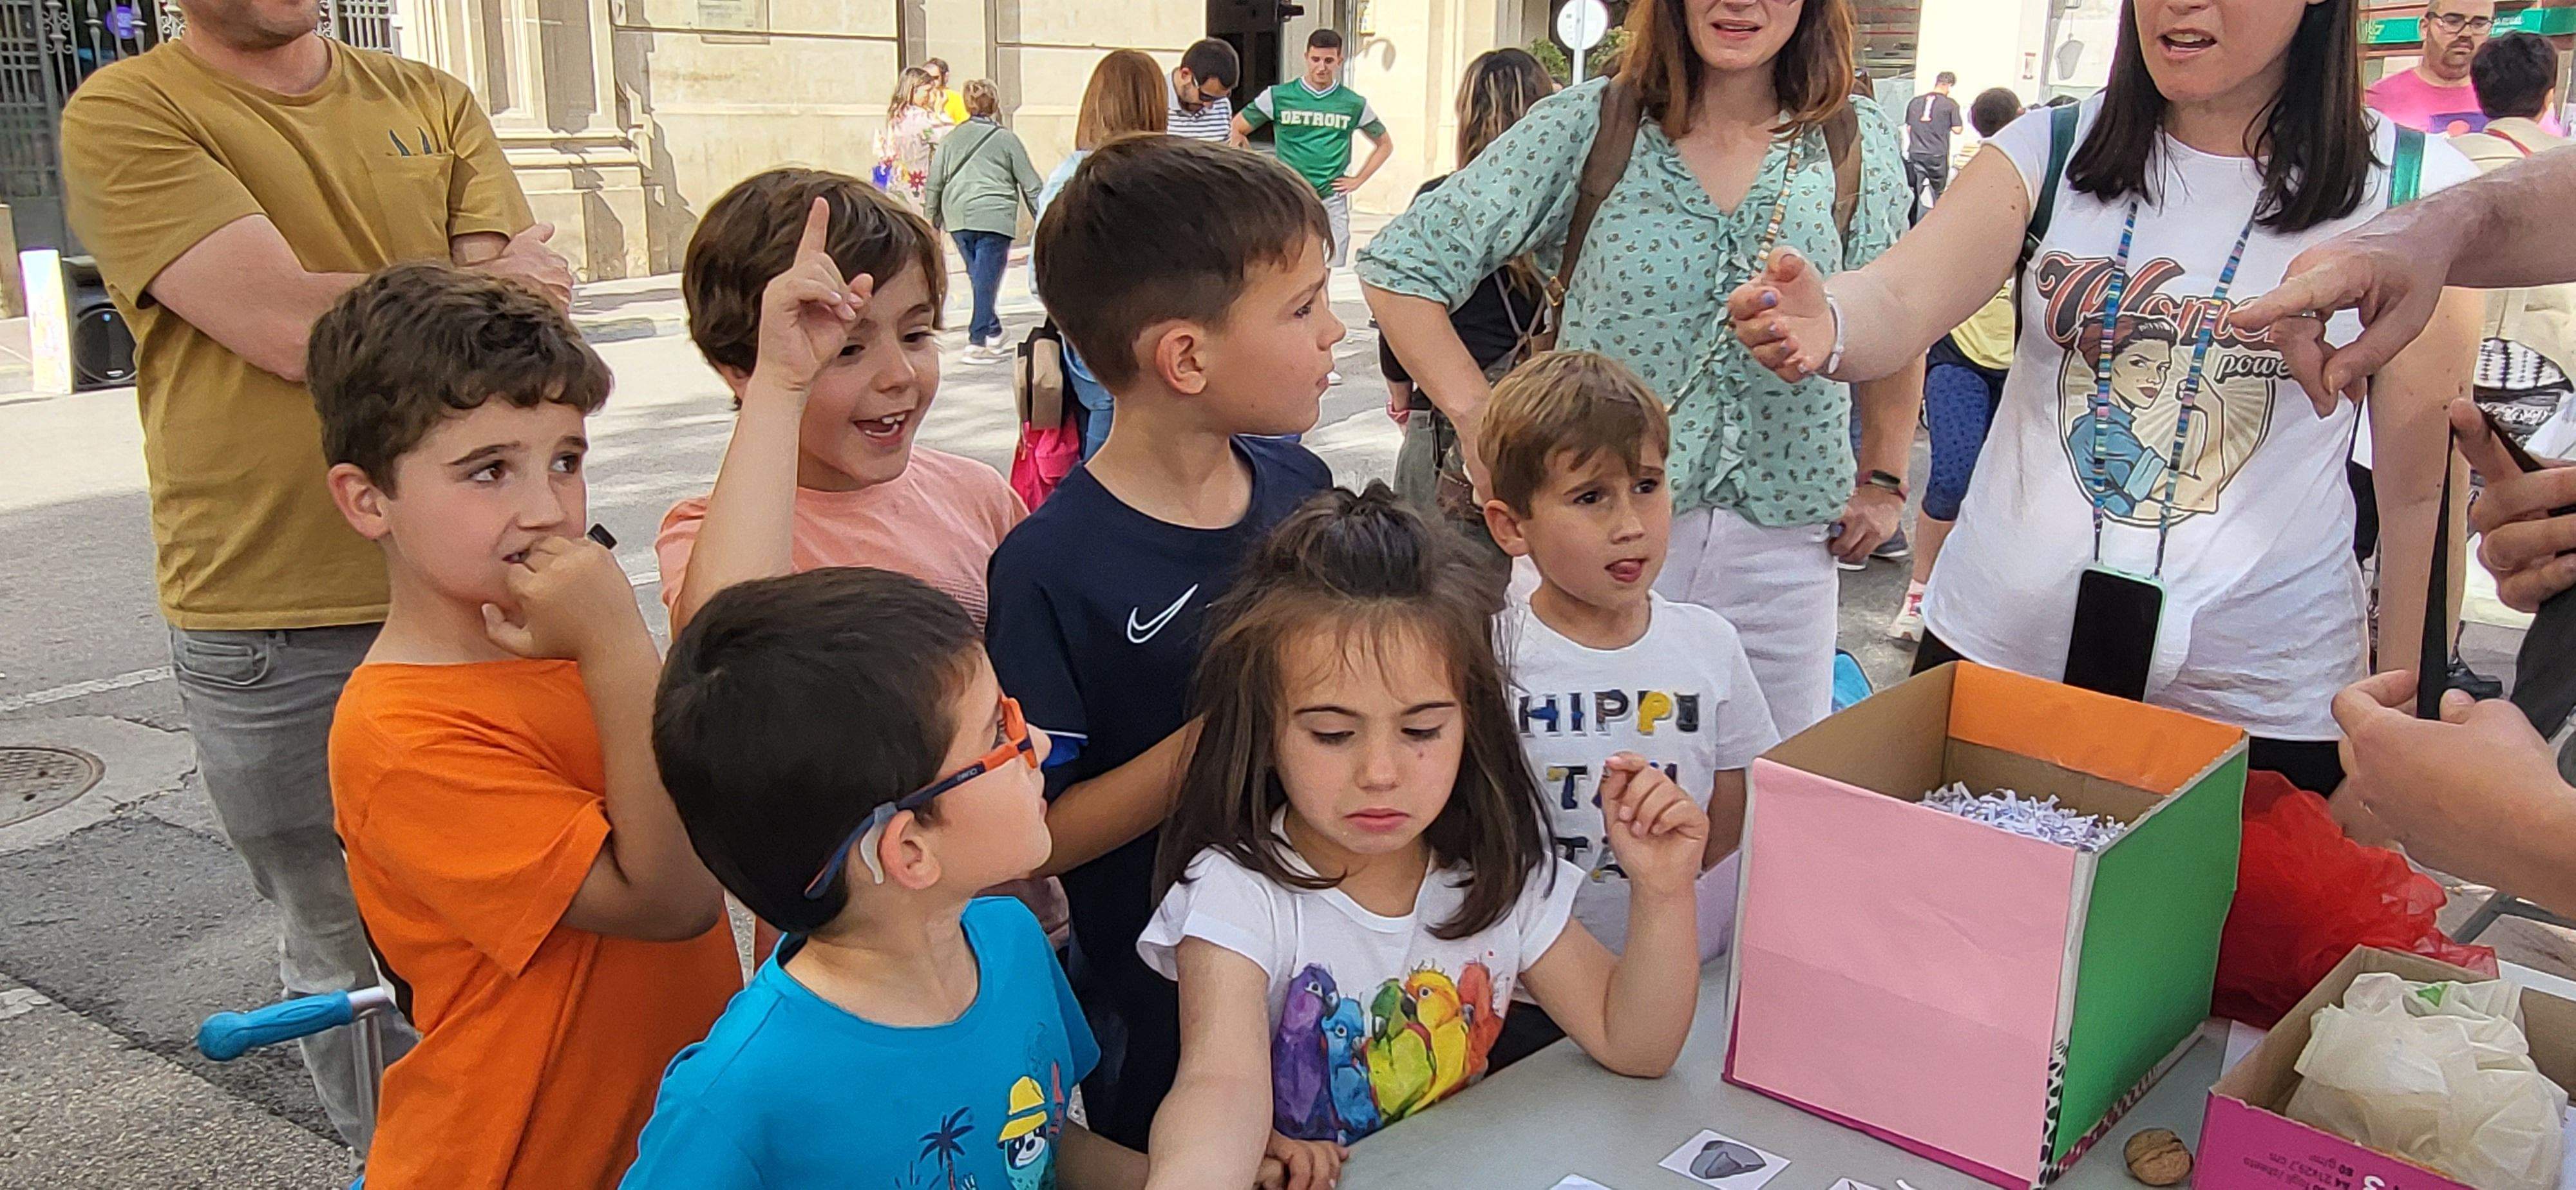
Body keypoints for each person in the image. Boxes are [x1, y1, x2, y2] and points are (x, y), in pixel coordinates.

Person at [1729, 0, 2483, 795]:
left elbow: (2419, 495)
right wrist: (1831, 317)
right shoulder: (2050, 148)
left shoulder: (2415, 192)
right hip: (1999, 663)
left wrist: (2398, 747)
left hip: (2260, 697)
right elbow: (1904, 294)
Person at [55, 0, 569, 1151]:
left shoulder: (430, 98)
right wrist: (462, 284)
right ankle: (396, 1166)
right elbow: (283, 323)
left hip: (485, 592)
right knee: (346, 953)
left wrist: (447, 299)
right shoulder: (131, 109)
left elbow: (509, 338)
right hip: (271, 612)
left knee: (529, 918)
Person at [1363, 0, 1917, 742]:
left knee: (1764, 804)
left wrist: (1883, 477)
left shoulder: (1852, 143)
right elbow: (1401, 265)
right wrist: (1476, 420)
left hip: (1784, 544)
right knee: (1563, 783)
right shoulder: (1590, 127)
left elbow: (1899, 317)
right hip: (1590, 522)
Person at [1135, 486, 1706, 1189]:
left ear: (1472, 723)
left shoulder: (1494, 872)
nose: (1380, 773)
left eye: (1421, 731)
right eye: (1332, 734)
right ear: (1265, 730)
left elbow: (1637, 1043)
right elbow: (1217, 1087)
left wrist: (1663, 889)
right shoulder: (1236, 894)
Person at [312, 264, 737, 1188]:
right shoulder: (399, 732)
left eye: (567, 460)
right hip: (522, 1156)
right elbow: (671, 901)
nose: (546, 508)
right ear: (365, 500)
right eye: (488, 470)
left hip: (660, 1142)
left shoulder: (566, 647)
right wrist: (618, 644)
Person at [992, 134, 1340, 1150]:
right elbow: (1038, 834)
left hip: (1344, 980)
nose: (1336, 332)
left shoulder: (1302, 490)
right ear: (1185, 357)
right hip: (1165, 1016)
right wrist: (1229, 737)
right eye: (1303, 308)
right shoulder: (1049, 567)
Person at [621, 569, 1148, 1187]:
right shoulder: (734, 1099)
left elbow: (1045, 1147)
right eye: (998, 732)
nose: (1035, 738)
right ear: (910, 849)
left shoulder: (1013, 940)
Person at [661, 171, 1053, 961]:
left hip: (1015, 919)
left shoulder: (976, 496)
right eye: (845, 348)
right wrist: (782, 385)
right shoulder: (713, 535)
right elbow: (730, 642)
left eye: (915, 334)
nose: (897, 375)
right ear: (742, 369)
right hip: (859, 958)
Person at [1481, 352, 1777, 1062]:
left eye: (1646, 486)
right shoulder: (1486, 656)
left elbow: (1733, 802)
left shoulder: (1708, 643)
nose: (1630, 525)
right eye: (1590, 498)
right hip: (1517, 994)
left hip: (1673, 972)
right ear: (1510, 527)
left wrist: (1669, 895)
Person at [1379, 46, 1555, 554]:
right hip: (1544, 412)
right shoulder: (1570, 208)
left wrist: (1400, 395)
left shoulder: (1444, 198)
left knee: (1433, 583)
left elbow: (1399, 306)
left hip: (1445, 423)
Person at [1888, 85, 2026, 641]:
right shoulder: (1969, 184)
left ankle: (1994, 605)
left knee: (2015, 493)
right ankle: (1918, 595)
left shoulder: (2059, 205)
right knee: (1949, 477)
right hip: (1960, 358)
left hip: (2024, 367)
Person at [1038, 49, 1170, 458]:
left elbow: (1039, 277)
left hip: (1093, 352)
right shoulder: (1160, 177)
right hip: (1134, 359)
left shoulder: (1069, 173)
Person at [2450, 33, 2575, 447]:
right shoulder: (2566, 172)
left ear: (2479, 93)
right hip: (2547, 367)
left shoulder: (2439, 162)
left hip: (2447, 367)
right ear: (2550, 97)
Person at [1233, 30, 1394, 274]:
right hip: (1289, 197)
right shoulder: (1278, 96)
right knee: (1284, 269)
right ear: (1306, 57)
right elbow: (1238, 128)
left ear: (1340, 61)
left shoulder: (1353, 104)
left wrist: (1358, 180)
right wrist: (1258, 171)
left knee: (1323, 273)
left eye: (1329, 61)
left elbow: (1384, 144)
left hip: (1331, 198)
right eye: (1316, 59)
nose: (1322, 67)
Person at [927, 79, 1045, 364]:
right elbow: (1031, 184)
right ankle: (977, 340)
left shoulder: (951, 139)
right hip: (995, 215)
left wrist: (931, 221)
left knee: (980, 278)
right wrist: (1045, 218)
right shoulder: (1007, 139)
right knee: (985, 280)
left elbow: (935, 182)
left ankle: (993, 330)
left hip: (958, 216)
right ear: (995, 104)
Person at [2365, 0, 2496, 136]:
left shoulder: (2504, 98)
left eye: (2479, 24)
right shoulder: (2379, 99)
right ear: (2425, 28)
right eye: (2453, 21)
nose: (2466, 33)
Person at [875, 65, 942, 212]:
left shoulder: (894, 115)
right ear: (914, 90)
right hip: (918, 181)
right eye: (927, 91)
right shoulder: (921, 119)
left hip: (896, 180)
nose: (930, 97)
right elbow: (942, 138)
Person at [1904, 70, 1964, 219]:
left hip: (1916, 152)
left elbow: (1909, 127)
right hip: (1937, 154)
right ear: (1949, 86)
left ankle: (1911, 225)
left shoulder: (1915, 102)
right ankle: (1938, 226)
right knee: (1939, 194)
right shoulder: (1950, 104)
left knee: (1913, 192)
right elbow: (1958, 129)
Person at [1170, 38, 1242, 142]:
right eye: (1205, 96)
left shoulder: (1222, 104)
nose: (1210, 106)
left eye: (1220, 98)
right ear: (1185, 75)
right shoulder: (1153, 101)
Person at [925, 56, 972, 127]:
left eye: (934, 78)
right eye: (925, 78)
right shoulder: (919, 99)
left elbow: (965, 127)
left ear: (945, 77)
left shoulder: (957, 99)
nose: (930, 82)